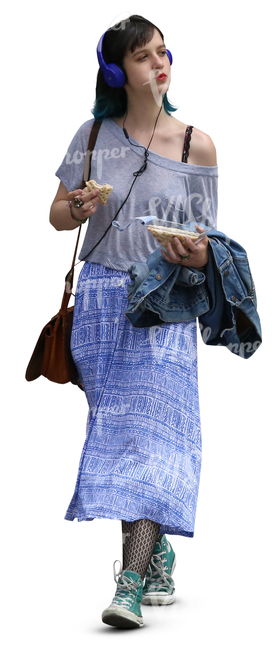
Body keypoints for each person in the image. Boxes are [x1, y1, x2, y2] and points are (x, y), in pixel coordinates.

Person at [50, 15, 218, 630]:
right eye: (145, 57)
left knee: (150, 440)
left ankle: (128, 579)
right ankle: (157, 553)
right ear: (119, 71)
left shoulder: (196, 143)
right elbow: (56, 217)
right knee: (123, 438)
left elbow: (209, 241)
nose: (160, 64)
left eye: (163, 52)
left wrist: (193, 251)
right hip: (100, 302)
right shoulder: (91, 135)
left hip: (166, 303)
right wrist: (76, 205)